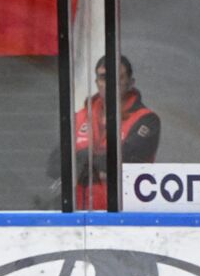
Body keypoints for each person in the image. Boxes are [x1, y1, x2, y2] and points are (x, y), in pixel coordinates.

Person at [69, 55, 161, 210]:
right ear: (97, 83)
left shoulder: (146, 120)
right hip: (81, 213)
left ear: (131, 83)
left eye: (118, 78)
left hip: (126, 214)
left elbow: (126, 159)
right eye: (104, 77)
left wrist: (83, 159)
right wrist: (99, 163)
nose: (110, 84)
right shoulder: (79, 117)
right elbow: (55, 164)